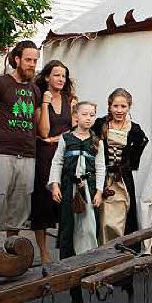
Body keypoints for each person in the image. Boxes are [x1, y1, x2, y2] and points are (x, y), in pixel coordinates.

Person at [0, 40, 43, 246]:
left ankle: (13, 252)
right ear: (17, 59)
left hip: (28, 154)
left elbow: (39, 124)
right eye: (28, 60)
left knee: (20, 205)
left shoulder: (35, 90)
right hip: (2, 152)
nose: (32, 64)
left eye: (35, 61)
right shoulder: (0, 84)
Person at [49, 101, 106, 260]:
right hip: (68, 188)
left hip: (89, 188)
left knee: (88, 226)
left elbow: (101, 167)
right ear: (76, 116)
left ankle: (87, 260)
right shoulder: (66, 138)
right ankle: (67, 263)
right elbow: (57, 162)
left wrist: (99, 191)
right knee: (68, 225)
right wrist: (55, 185)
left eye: (92, 115)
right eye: (84, 114)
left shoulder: (97, 142)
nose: (88, 118)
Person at [93, 88, 149, 245]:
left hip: (122, 180)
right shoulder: (100, 124)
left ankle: (119, 250)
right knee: (103, 217)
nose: (119, 110)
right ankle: (101, 250)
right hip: (102, 178)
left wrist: (128, 164)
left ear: (129, 107)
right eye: (115, 106)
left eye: (123, 106)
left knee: (122, 215)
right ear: (110, 106)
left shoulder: (134, 129)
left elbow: (140, 145)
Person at [30, 60, 74, 263]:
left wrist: (57, 139)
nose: (61, 79)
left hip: (64, 155)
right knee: (43, 203)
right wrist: (46, 103)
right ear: (47, 77)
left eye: (63, 76)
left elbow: (74, 131)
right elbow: (44, 131)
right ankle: (43, 252)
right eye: (57, 75)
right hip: (45, 157)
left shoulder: (71, 100)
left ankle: (66, 248)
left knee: (65, 202)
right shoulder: (40, 100)